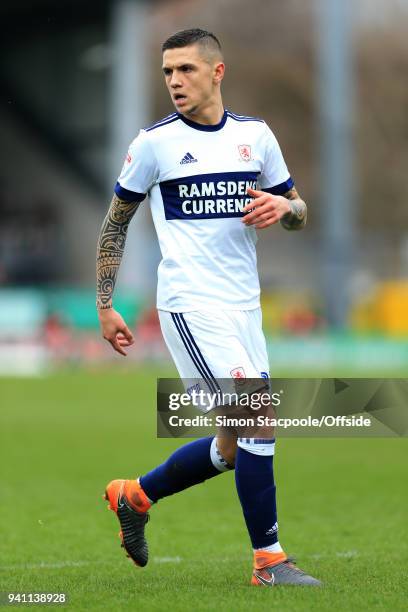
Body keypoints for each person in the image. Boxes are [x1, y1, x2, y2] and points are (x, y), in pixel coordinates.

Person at [96, 28, 320, 587]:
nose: (174, 80)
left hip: (245, 307)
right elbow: (115, 223)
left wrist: (284, 207)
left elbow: (299, 211)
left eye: (186, 70)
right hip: (190, 306)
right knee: (258, 420)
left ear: (217, 73)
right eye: (168, 71)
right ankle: (269, 562)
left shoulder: (256, 136)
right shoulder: (154, 144)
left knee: (232, 445)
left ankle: (135, 496)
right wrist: (104, 304)